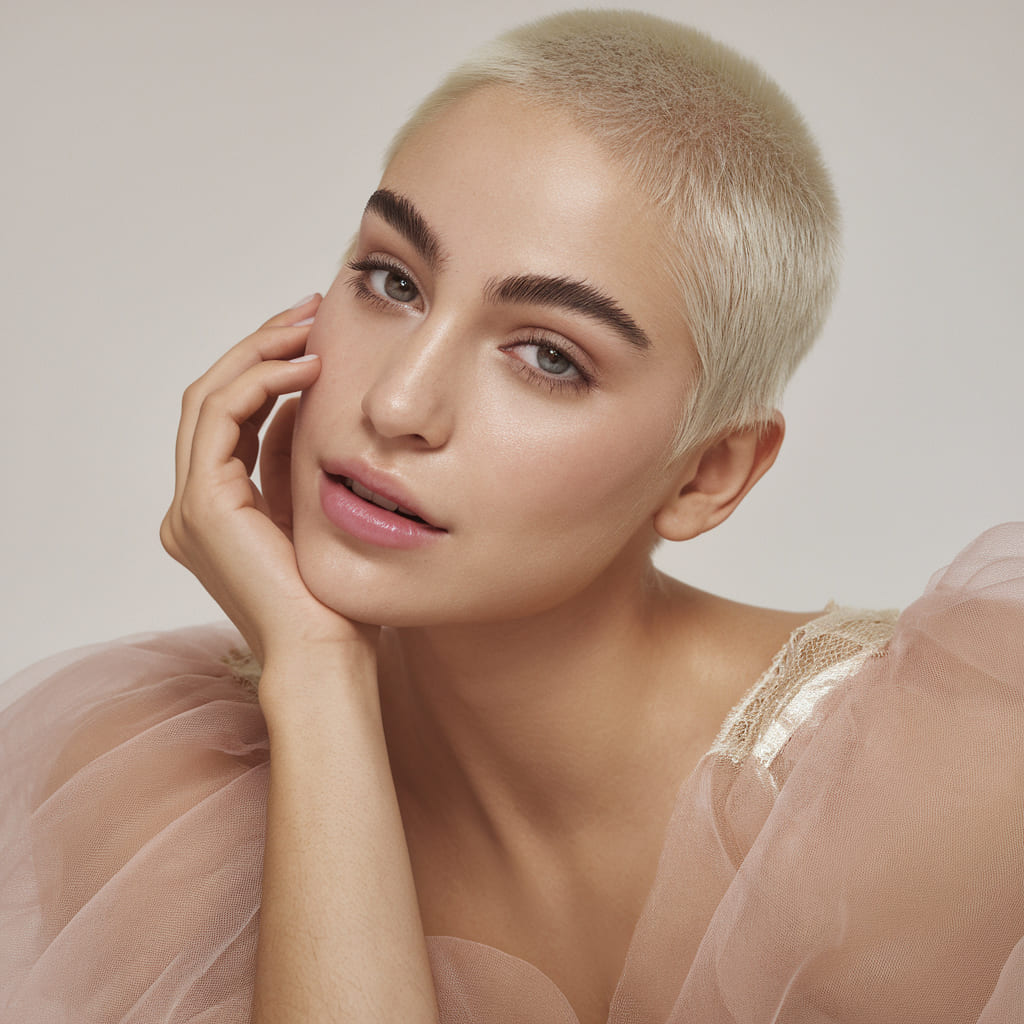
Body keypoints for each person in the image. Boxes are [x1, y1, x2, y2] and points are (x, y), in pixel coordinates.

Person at [1, 9, 1021, 1023]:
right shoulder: (152, 798)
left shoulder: (946, 774)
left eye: (548, 355)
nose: (396, 405)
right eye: (392, 279)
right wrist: (316, 679)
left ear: (707, 471)